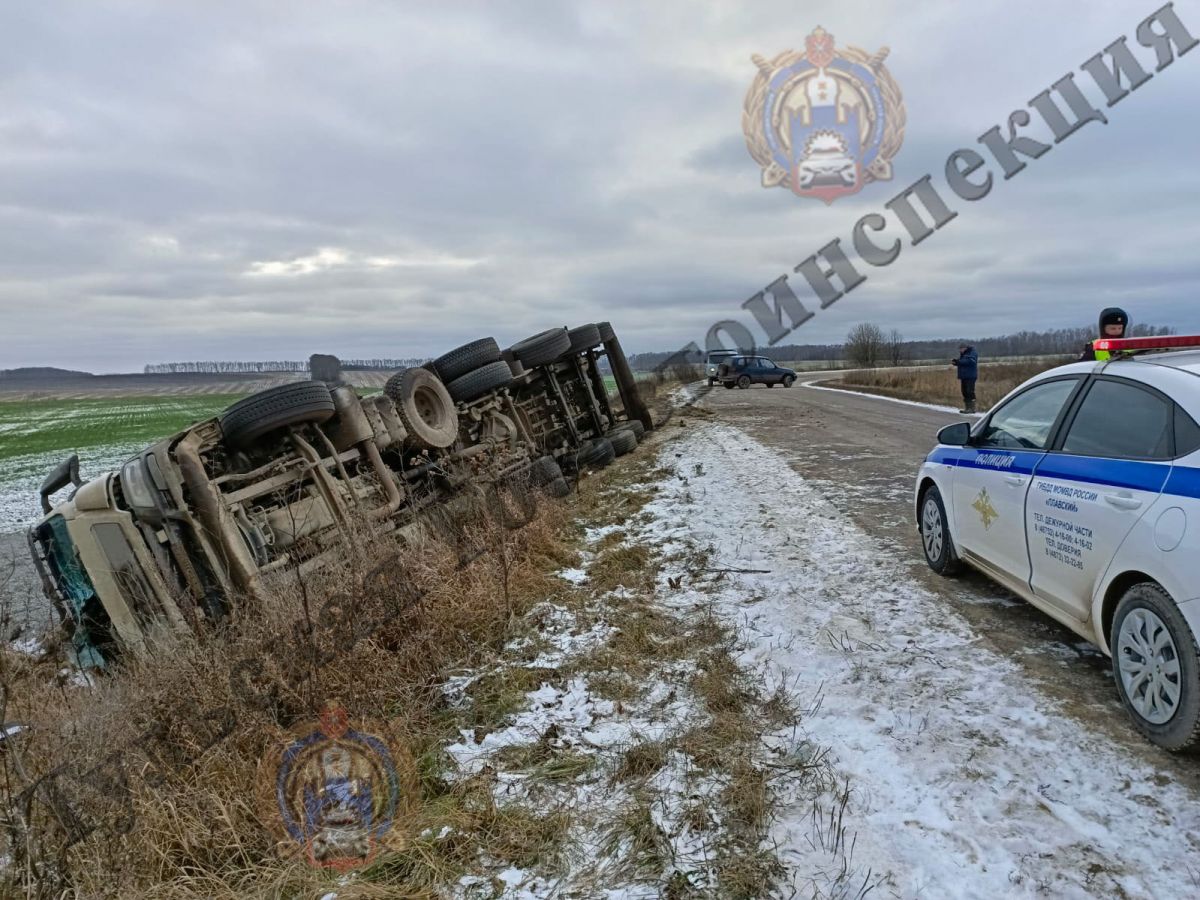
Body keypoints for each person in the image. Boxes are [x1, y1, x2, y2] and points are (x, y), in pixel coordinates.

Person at [951, 343, 978, 413]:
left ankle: (972, 408)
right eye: (959, 349)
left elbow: (970, 362)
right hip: (964, 376)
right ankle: (967, 408)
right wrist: (956, 362)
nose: (960, 351)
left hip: (970, 376)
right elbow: (963, 362)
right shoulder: (963, 354)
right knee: (964, 392)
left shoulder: (972, 353)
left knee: (970, 391)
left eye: (961, 349)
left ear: (965, 348)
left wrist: (959, 362)